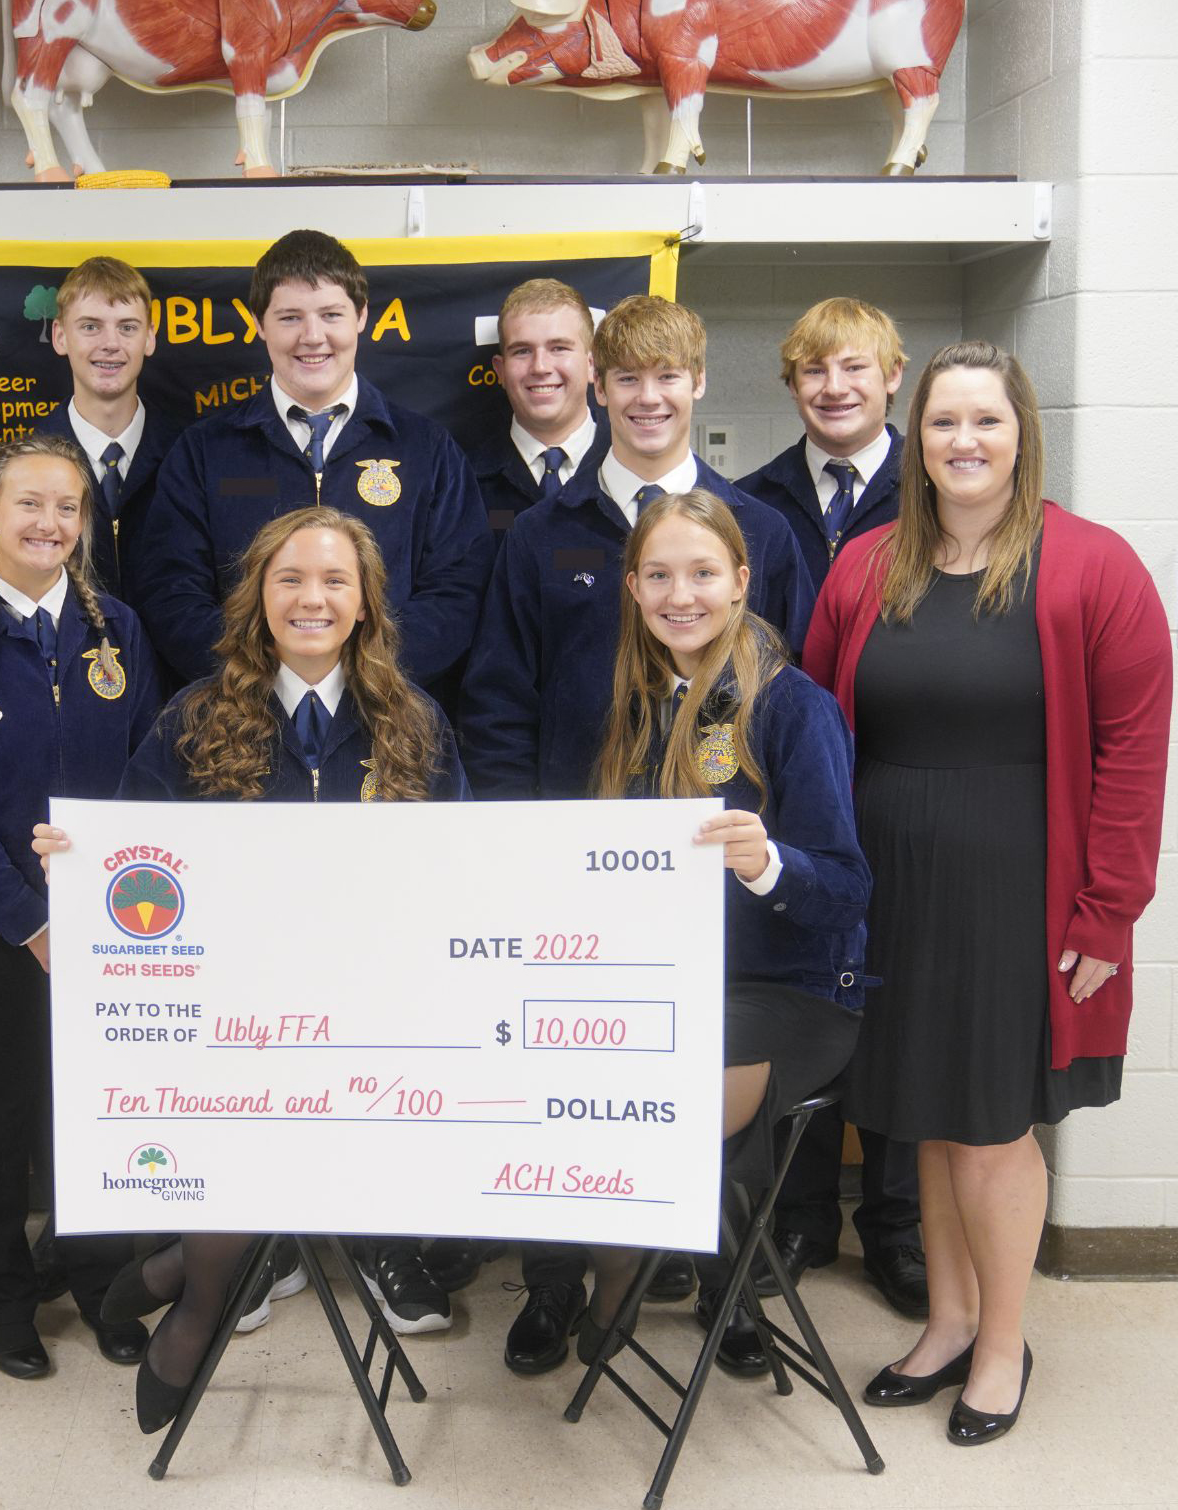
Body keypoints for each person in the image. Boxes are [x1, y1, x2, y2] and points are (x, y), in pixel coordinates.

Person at [803, 340, 1172, 1446]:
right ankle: (948, 1320)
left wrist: (1107, 909)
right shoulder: (866, 565)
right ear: (912, 441)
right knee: (921, 1114)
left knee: (993, 1127)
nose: (963, 442)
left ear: (1022, 437)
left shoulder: (1092, 567)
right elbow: (817, 723)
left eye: (985, 422)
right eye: (942, 423)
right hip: (890, 885)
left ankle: (1003, 1341)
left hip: (1021, 887)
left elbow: (1132, 752)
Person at [33, 505, 470, 1433]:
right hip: (224, 1016)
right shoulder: (197, 716)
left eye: (334, 582)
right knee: (245, 1111)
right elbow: (132, 856)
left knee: (312, 1111)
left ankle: (174, 1276)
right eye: (290, 580)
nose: (312, 598)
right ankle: (197, 1303)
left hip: (365, 1016)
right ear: (258, 599)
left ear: (365, 605)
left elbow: (454, 874)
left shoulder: (415, 724)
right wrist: (78, 858)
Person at [460, 293, 812, 1370]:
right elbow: (498, 699)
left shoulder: (761, 532)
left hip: (715, 882)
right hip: (572, 878)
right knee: (564, 1087)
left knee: (710, 1077)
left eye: (670, 378)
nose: (649, 397)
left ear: (698, 384)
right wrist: (518, 854)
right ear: (596, 391)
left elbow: (798, 709)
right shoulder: (540, 537)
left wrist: (772, 856)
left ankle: (728, 1285)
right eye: (627, 380)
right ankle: (554, 1283)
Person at [577, 488, 868, 1372]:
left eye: (703, 573)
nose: (682, 594)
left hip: (793, 993)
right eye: (660, 574)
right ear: (632, 587)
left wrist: (767, 863)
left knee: (681, 1086)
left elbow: (846, 890)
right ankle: (655, 1269)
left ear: (741, 580)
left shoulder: (790, 707)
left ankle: (695, 1284)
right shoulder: (630, 701)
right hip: (671, 983)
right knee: (585, 1062)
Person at [0, 434, 160, 1380]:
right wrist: (30, 920)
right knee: (1, 1115)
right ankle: (3, 1302)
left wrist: (103, 897)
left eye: (67, 508)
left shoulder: (117, 632)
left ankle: (98, 1286)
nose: (49, 523)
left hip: (109, 926)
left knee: (87, 1116)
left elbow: (148, 774)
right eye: (30, 505)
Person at [735, 297, 925, 1319]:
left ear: (893, 374)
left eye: (853, 368)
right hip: (794, 787)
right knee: (803, 983)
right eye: (812, 371)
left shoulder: (934, 490)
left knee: (892, 1012)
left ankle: (893, 1224)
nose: (833, 387)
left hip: (901, 789)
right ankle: (803, 1216)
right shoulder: (757, 502)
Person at [124, 229, 491, 695]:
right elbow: (170, 591)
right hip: (242, 718)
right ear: (260, 323)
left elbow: (457, 592)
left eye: (330, 315)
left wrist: (360, 677)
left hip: (390, 716)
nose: (312, 337)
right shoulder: (203, 452)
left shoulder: (428, 450)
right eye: (290, 317)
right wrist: (270, 680)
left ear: (360, 317)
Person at [35, 255, 179, 596]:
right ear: (60, 336)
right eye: (90, 326)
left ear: (149, 338)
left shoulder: (189, 455)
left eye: (127, 327)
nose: (110, 344)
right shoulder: (21, 466)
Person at [470, 278, 607, 539]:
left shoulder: (633, 465)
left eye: (558, 348)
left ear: (592, 365)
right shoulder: (461, 480)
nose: (540, 367)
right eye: (522, 351)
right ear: (500, 370)